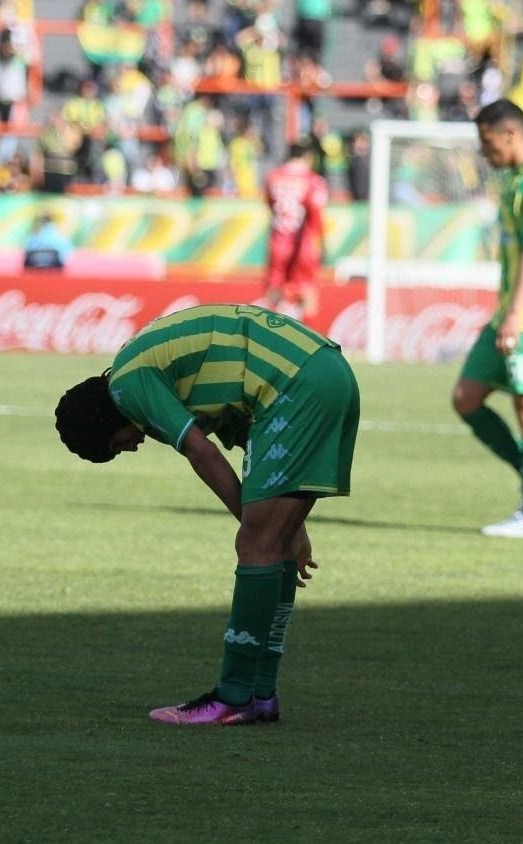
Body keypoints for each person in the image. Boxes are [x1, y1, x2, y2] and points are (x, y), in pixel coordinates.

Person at [55, 304, 360, 726]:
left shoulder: (128, 385)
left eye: (114, 446)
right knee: (274, 546)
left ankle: (233, 697)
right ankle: (260, 693)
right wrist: (290, 529)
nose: (130, 448)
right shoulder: (150, 369)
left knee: (256, 545)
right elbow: (257, 458)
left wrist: (258, 530)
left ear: (103, 422)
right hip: (326, 368)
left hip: (293, 384)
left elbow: (202, 452)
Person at [451, 99, 523, 540]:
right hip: (509, 313)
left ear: (510, 134)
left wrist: (517, 314)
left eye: (487, 142)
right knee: (466, 397)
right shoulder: (516, 180)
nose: (484, 153)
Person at [264, 142, 328, 321]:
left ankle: (269, 334)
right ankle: (307, 339)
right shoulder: (312, 180)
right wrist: (321, 245)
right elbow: (316, 214)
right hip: (302, 243)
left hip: (278, 240)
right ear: (308, 157)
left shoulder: (273, 177)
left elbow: (269, 204)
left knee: (275, 287)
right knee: (307, 288)